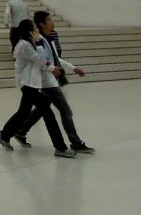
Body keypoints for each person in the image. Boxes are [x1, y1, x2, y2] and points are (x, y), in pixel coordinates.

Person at [13, 12, 94, 153]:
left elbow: (56, 58)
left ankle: (20, 130)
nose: (52, 21)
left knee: (41, 108)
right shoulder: (37, 41)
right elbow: (42, 61)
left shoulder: (48, 38)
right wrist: (52, 69)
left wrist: (73, 68)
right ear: (41, 24)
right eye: (49, 19)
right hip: (46, 81)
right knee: (65, 110)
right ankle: (75, 142)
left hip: (47, 80)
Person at [0, 19, 75, 157]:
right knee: (47, 112)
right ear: (30, 32)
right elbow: (41, 60)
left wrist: (52, 68)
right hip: (27, 84)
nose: (38, 32)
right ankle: (60, 147)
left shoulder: (29, 44)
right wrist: (38, 43)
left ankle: (4, 135)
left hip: (31, 84)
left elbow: (42, 62)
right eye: (35, 29)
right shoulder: (24, 45)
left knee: (24, 112)